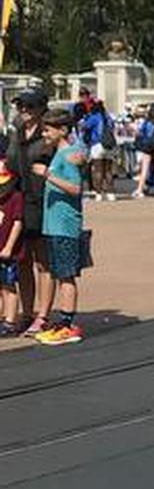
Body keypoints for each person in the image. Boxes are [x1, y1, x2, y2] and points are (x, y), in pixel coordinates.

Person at [36, 104, 87, 344]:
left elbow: (76, 189)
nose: (44, 134)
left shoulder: (68, 155)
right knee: (59, 273)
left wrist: (48, 175)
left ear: (62, 130)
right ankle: (64, 320)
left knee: (66, 275)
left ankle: (68, 324)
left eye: (48, 130)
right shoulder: (63, 153)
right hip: (55, 224)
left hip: (65, 225)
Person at [6, 89, 54, 334]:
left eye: (29, 106)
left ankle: (43, 315)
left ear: (40, 109)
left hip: (43, 203)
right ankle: (27, 312)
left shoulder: (48, 135)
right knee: (22, 260)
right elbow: (10, 164)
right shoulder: (16, 133)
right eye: (20, 106)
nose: (23, 110)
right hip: (20, 202)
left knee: (42, 262)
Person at [0, 160, 25, 335]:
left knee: (9, 286)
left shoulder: (15, 197)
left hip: (8, 250)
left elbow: (17, 223)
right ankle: (3, 316)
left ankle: (10, 320)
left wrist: (9, 246)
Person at [79, 98, 117, 200]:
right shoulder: (108, 117)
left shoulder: (94, 117)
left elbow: (84, 127)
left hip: (97, 145)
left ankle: (98, 193)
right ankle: (111, 193)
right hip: (110, 145)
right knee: (108, 170)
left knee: (97, 170)